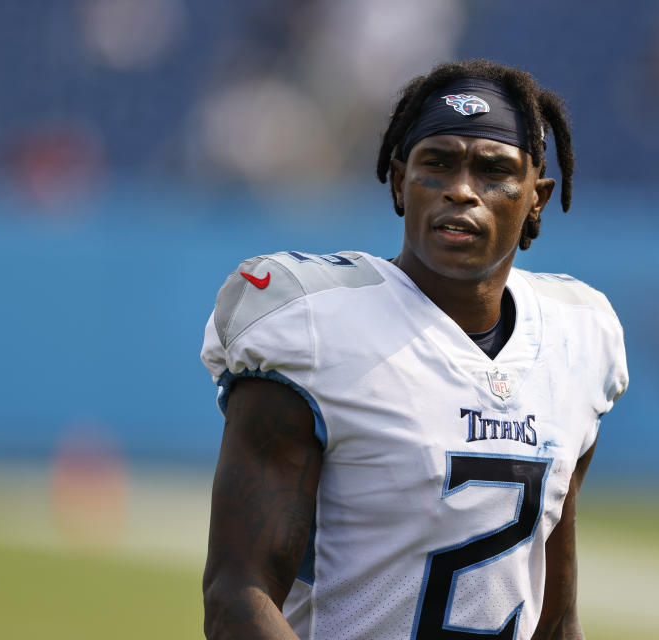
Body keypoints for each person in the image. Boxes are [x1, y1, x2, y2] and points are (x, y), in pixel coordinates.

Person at [200, 59, 629, 640]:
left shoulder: (578, 338)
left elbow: (555, 620)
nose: (461, 189)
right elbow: (236, 595)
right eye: (438, 163)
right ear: (400, 181)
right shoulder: (315, 327)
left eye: (494, 170)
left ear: (537, 198)